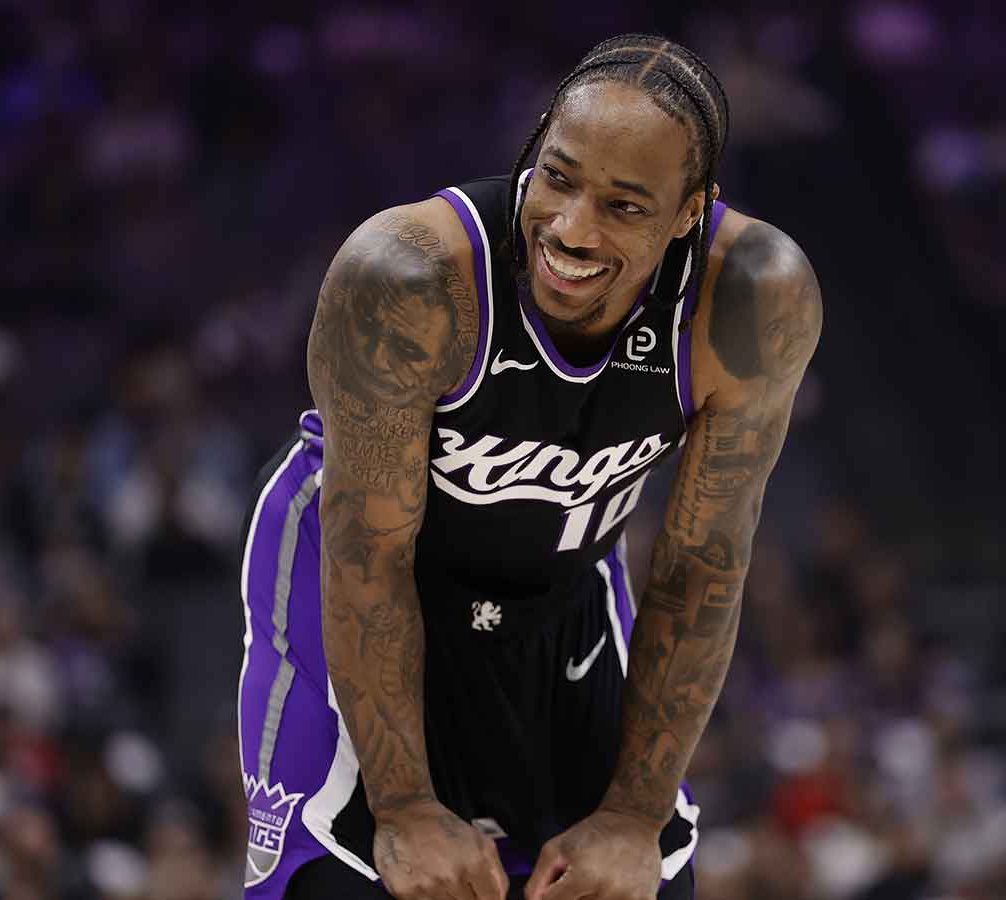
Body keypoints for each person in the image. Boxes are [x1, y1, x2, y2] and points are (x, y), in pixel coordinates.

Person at [236, 33, 822, 900]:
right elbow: (369, 558)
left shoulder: (749, 297)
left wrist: (632, 817)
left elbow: (700, 569)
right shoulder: (410, 276)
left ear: (689, 211)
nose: (572, 229)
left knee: (637, 877)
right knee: (358, 882)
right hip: (358, 579)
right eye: (557, 176)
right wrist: (401, 809)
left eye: (625, 206)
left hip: (566, 593)